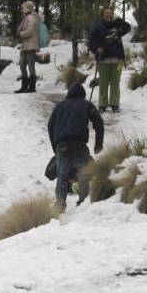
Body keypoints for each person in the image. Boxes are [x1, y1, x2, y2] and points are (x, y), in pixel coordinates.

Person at [47, 82, 104, 211]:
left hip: (62, 146)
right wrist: (98, 144)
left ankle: (60, 203)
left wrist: (55, 147)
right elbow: (99, 122)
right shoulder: (86, 105)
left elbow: (50, 126)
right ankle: (83, 203)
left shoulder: (59, 106)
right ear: (83, 95)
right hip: (79, 145)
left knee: (61, 176)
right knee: (84, 175)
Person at [87, 8, 132, 112]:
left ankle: (114, 104)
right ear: (103, 15)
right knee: (103, 82)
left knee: (115, 83)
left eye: (111, 13)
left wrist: (118, 19)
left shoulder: (118, 26)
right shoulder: (97, 27)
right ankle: (102, 105)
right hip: (103, 59)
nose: (109, 14)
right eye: (106, 13)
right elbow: (91, 42)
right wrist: (97, 48)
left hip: (117, 59)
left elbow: (127, 27)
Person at [15, 0, 42, 93]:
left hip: (31, 45)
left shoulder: (32, 18)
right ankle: (24, 86)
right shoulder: (26, 17)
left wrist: (21, 34)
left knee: (31, 66)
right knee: (22, 65)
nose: (22, 9)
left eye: (23, 8)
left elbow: (30, 31)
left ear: (27, 8)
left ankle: (32, 87)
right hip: (25, 45)